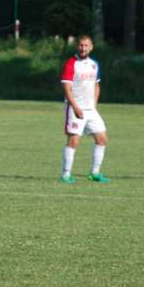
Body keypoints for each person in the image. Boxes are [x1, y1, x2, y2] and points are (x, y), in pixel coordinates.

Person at [59, 35, 110, 184]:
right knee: (74, 140)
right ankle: (66, 174)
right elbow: (66, 87)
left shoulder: (95, 64)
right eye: (81, 45)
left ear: (91, 47)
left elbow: (96, 85)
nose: (83, 48)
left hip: (90, 110)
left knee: (102, 139)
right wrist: (75, 107)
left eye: (86, 45)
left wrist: (94, 105)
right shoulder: (71, 64)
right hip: (75, 108)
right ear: (77, 47)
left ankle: (94, 173)